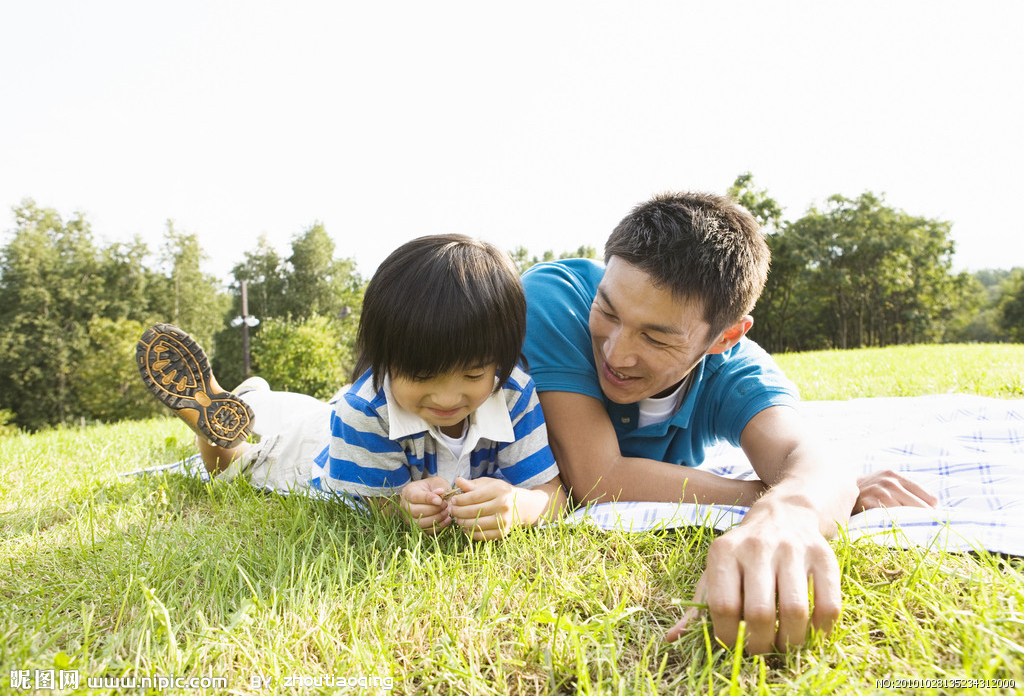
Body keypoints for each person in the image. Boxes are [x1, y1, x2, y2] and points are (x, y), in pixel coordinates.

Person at [520, 191, 936, 653]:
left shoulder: (738, 372)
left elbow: (811, 458)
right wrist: (781, 492)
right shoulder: (555, 299)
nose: (616, 353)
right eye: (609, 311)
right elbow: (598, 476)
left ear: (726, 336)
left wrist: (789, 514)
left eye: (657, 338)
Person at [136, 234, 566, 541]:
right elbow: (372, 508)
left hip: (336, 420)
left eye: (473, 377)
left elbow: (551, 493)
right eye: (420, 378)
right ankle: (218, 421)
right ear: (383, 360)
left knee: (305, 412)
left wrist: (520, 507)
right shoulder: (365, 407)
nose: (448, 399)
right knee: (244, 464)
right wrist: (400, 506)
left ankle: (254, 397)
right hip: (320, 455)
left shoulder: (513, 392)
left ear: (503, 357)